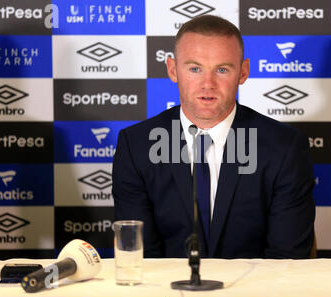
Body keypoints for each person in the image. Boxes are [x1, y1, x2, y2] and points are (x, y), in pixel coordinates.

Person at [112, 15, 315, 259]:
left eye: (222, 69)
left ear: (243, 72)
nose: (208, 84)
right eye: (195, 69)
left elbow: (287, 261)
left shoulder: (285, 148)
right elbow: (139, 256)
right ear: (173, 70)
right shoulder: (136, 146)